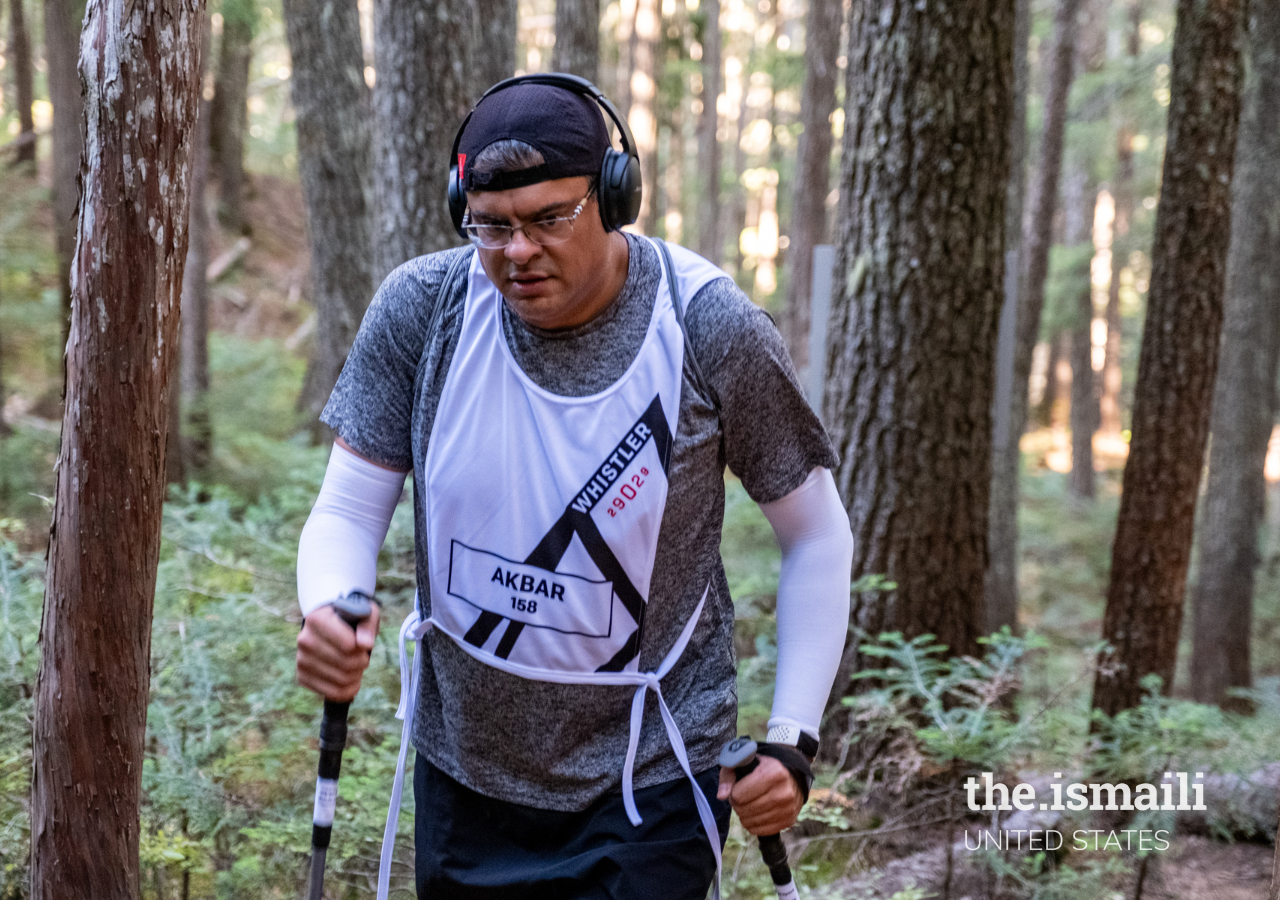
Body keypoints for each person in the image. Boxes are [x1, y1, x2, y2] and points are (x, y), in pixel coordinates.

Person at [294, 74, 854, 900]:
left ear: (615, 197)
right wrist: (330, 606)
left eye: (550, 217)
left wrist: (791, 740)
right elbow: (345, 507)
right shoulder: (424, 309)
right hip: (464, 774)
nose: (517, 251)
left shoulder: (707, 326)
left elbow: (815, 533)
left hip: (650, 776)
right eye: (491, 226)